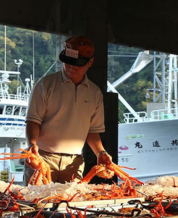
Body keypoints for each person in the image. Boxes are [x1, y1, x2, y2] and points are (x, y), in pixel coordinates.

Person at [24, 35, 113, 185]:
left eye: (78, 64)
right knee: (36, 203)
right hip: (42, 158)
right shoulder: (45, 85)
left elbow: (93, 130)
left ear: (90, 62)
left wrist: (101, 152)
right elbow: (33, 120)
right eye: (68, 62)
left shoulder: (95, 93)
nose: (71, 67)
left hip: (74, 162)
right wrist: (32, 144)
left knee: (71, 206)